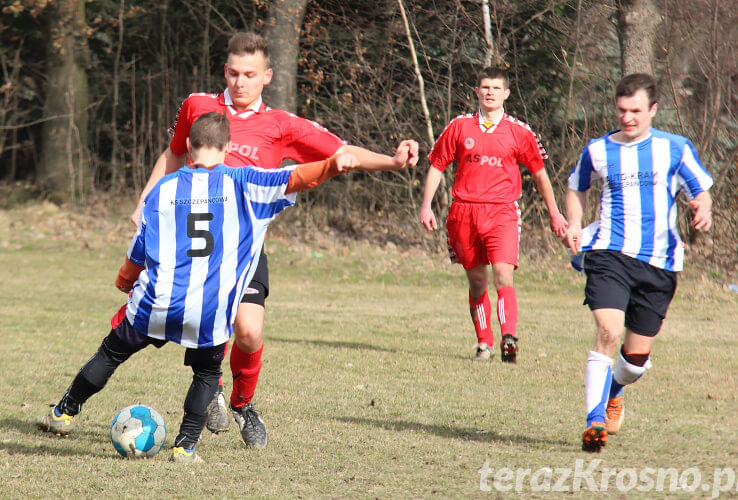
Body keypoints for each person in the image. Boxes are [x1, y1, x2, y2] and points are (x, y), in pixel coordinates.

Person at [36, 112, 415, 462]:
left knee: (110, 354)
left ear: (188, 147)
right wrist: (333, 165)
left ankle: (64, 413)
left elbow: (140, 247)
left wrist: (125, 279)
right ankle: (185, 448)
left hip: (158, 301)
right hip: (209, 310)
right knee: (205, 375)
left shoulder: (162, 190)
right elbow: (295, 177)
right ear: (228, 149)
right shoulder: (243, 182)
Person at [131, 32, 419, 447]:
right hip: (193, 243)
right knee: (195, 322)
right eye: (233, 73)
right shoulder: (199, 106)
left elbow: (341, 153)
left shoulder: (281, 125)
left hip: (244, 248)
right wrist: (146, 201)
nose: (239, 82)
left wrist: (391, 162)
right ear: (224, 71)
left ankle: (243, 405)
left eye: (250, 74)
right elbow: (175, 152)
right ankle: (204, 389)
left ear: (267, 76)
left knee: (248, 333)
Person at [565, 73, 713, 453]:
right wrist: (574, 225)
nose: (627, 118)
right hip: (608, 253)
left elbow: (701, 191)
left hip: (659, 263)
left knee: (634, 361)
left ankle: (616, 389)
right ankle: (594, 422)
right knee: (607, 332)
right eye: (621, 110)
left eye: (635, 111)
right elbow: (576, 186)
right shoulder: (598, 150)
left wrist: (702, 209)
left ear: (652, 110)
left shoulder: (675, 148)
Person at [420, 67, 567, 362]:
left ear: (506, 94)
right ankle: (484, 343)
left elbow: (539, 174)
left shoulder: (519, 131)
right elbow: (437, 165)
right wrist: (426, 205)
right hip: (464, 212)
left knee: (502, 274)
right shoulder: (459, 126)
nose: (490, 92)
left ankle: (508, 339)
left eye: (496, 88)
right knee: (477, 282)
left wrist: (554, 212)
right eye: (485, 87)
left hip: (502, 212)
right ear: (477, 91)